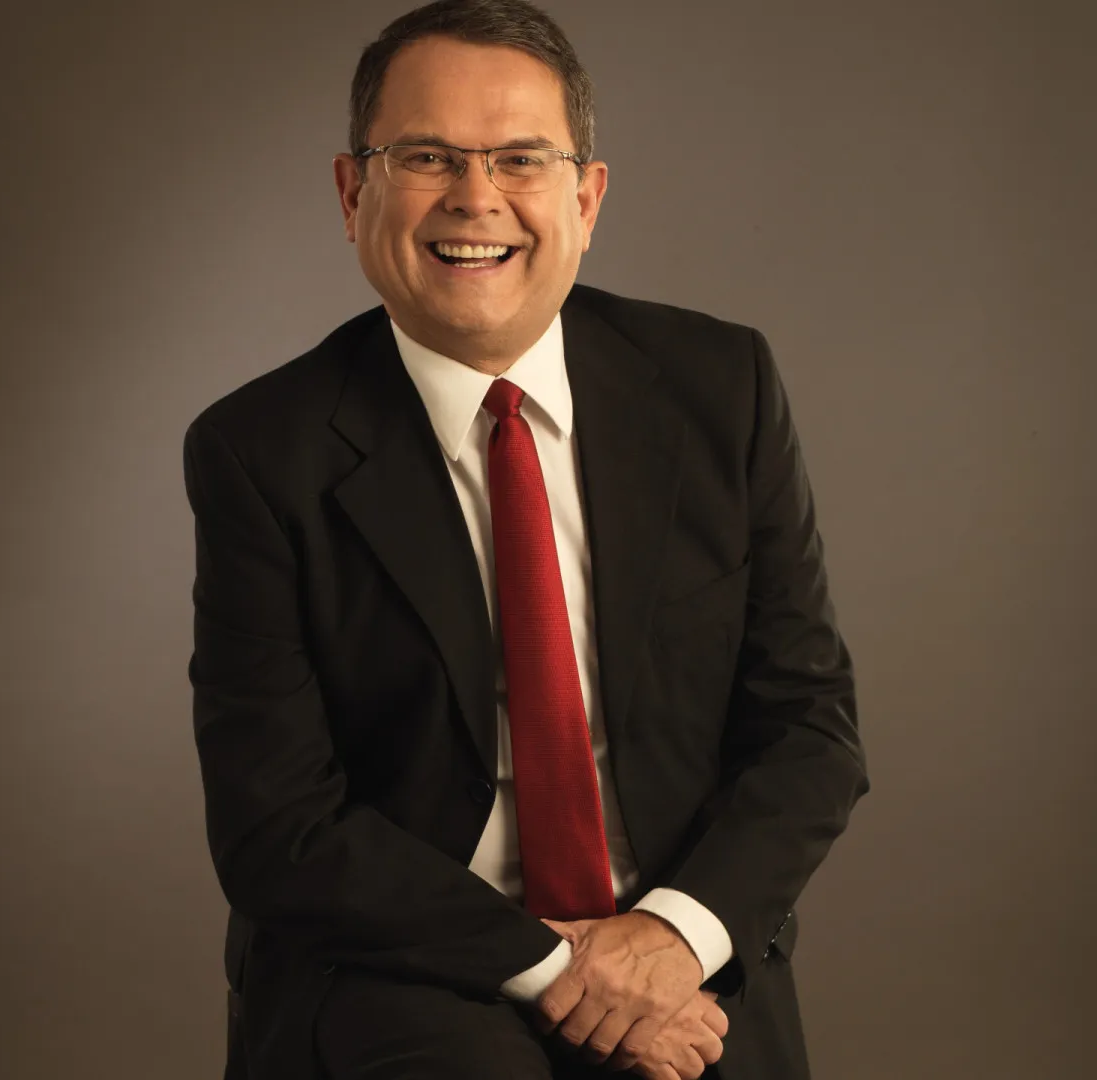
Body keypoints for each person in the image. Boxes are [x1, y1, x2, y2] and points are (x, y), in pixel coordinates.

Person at [183, 2, 867, 1076]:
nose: (476, 196)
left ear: (585, 200)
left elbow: (809, 729)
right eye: (426, 157)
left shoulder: (720, 389)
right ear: (353, 193)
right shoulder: (261, 452)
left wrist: (670, 940)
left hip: (678, 946)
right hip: (401, 969)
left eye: (521, 158)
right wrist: (561, 971)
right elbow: (281, 827)